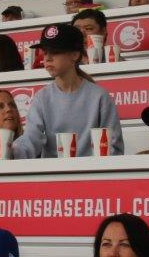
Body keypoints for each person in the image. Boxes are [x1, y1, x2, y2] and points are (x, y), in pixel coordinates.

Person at [11, 23, 123, 158]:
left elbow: (113, 147)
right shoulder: (42, 98)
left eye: (55, 52)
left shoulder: (99, 96)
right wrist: (11, 151)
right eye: (45, 52)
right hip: (53, 176)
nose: (47, 58)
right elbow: (31, 138)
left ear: (75, 55)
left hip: (93, 176)